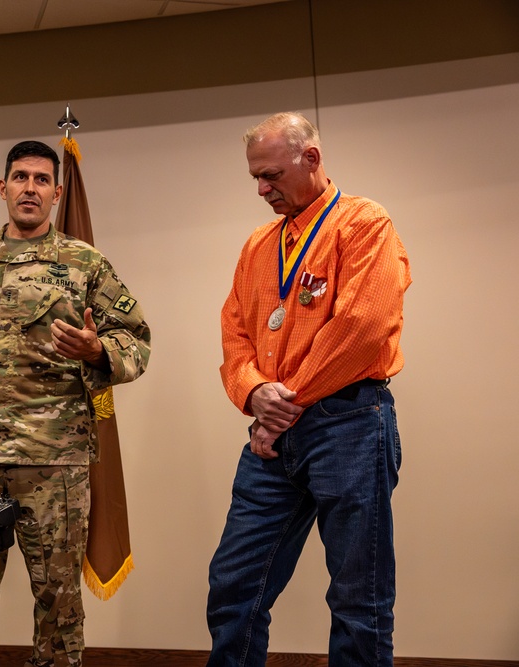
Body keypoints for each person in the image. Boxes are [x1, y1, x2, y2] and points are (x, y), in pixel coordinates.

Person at [0, 140, 151, 667]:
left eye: (42, 180)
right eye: (20, 178)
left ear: (56, 192)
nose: (30, 188)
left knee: (58, 604)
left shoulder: (84, 264)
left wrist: (98, 350)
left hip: (55, 464)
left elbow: (137, 342)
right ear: (3, 188)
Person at [207, 112, 411, 666]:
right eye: (255, 177)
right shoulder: (258, 245)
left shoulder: (364, 223)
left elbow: (362, 329)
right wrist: (252, 393)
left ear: (312, 158)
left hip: (347, 424)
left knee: (356, 597)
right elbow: (235, 332)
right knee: (234, 584)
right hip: (273, 435)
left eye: (271, 175)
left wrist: (281, 404)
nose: (261, 188)